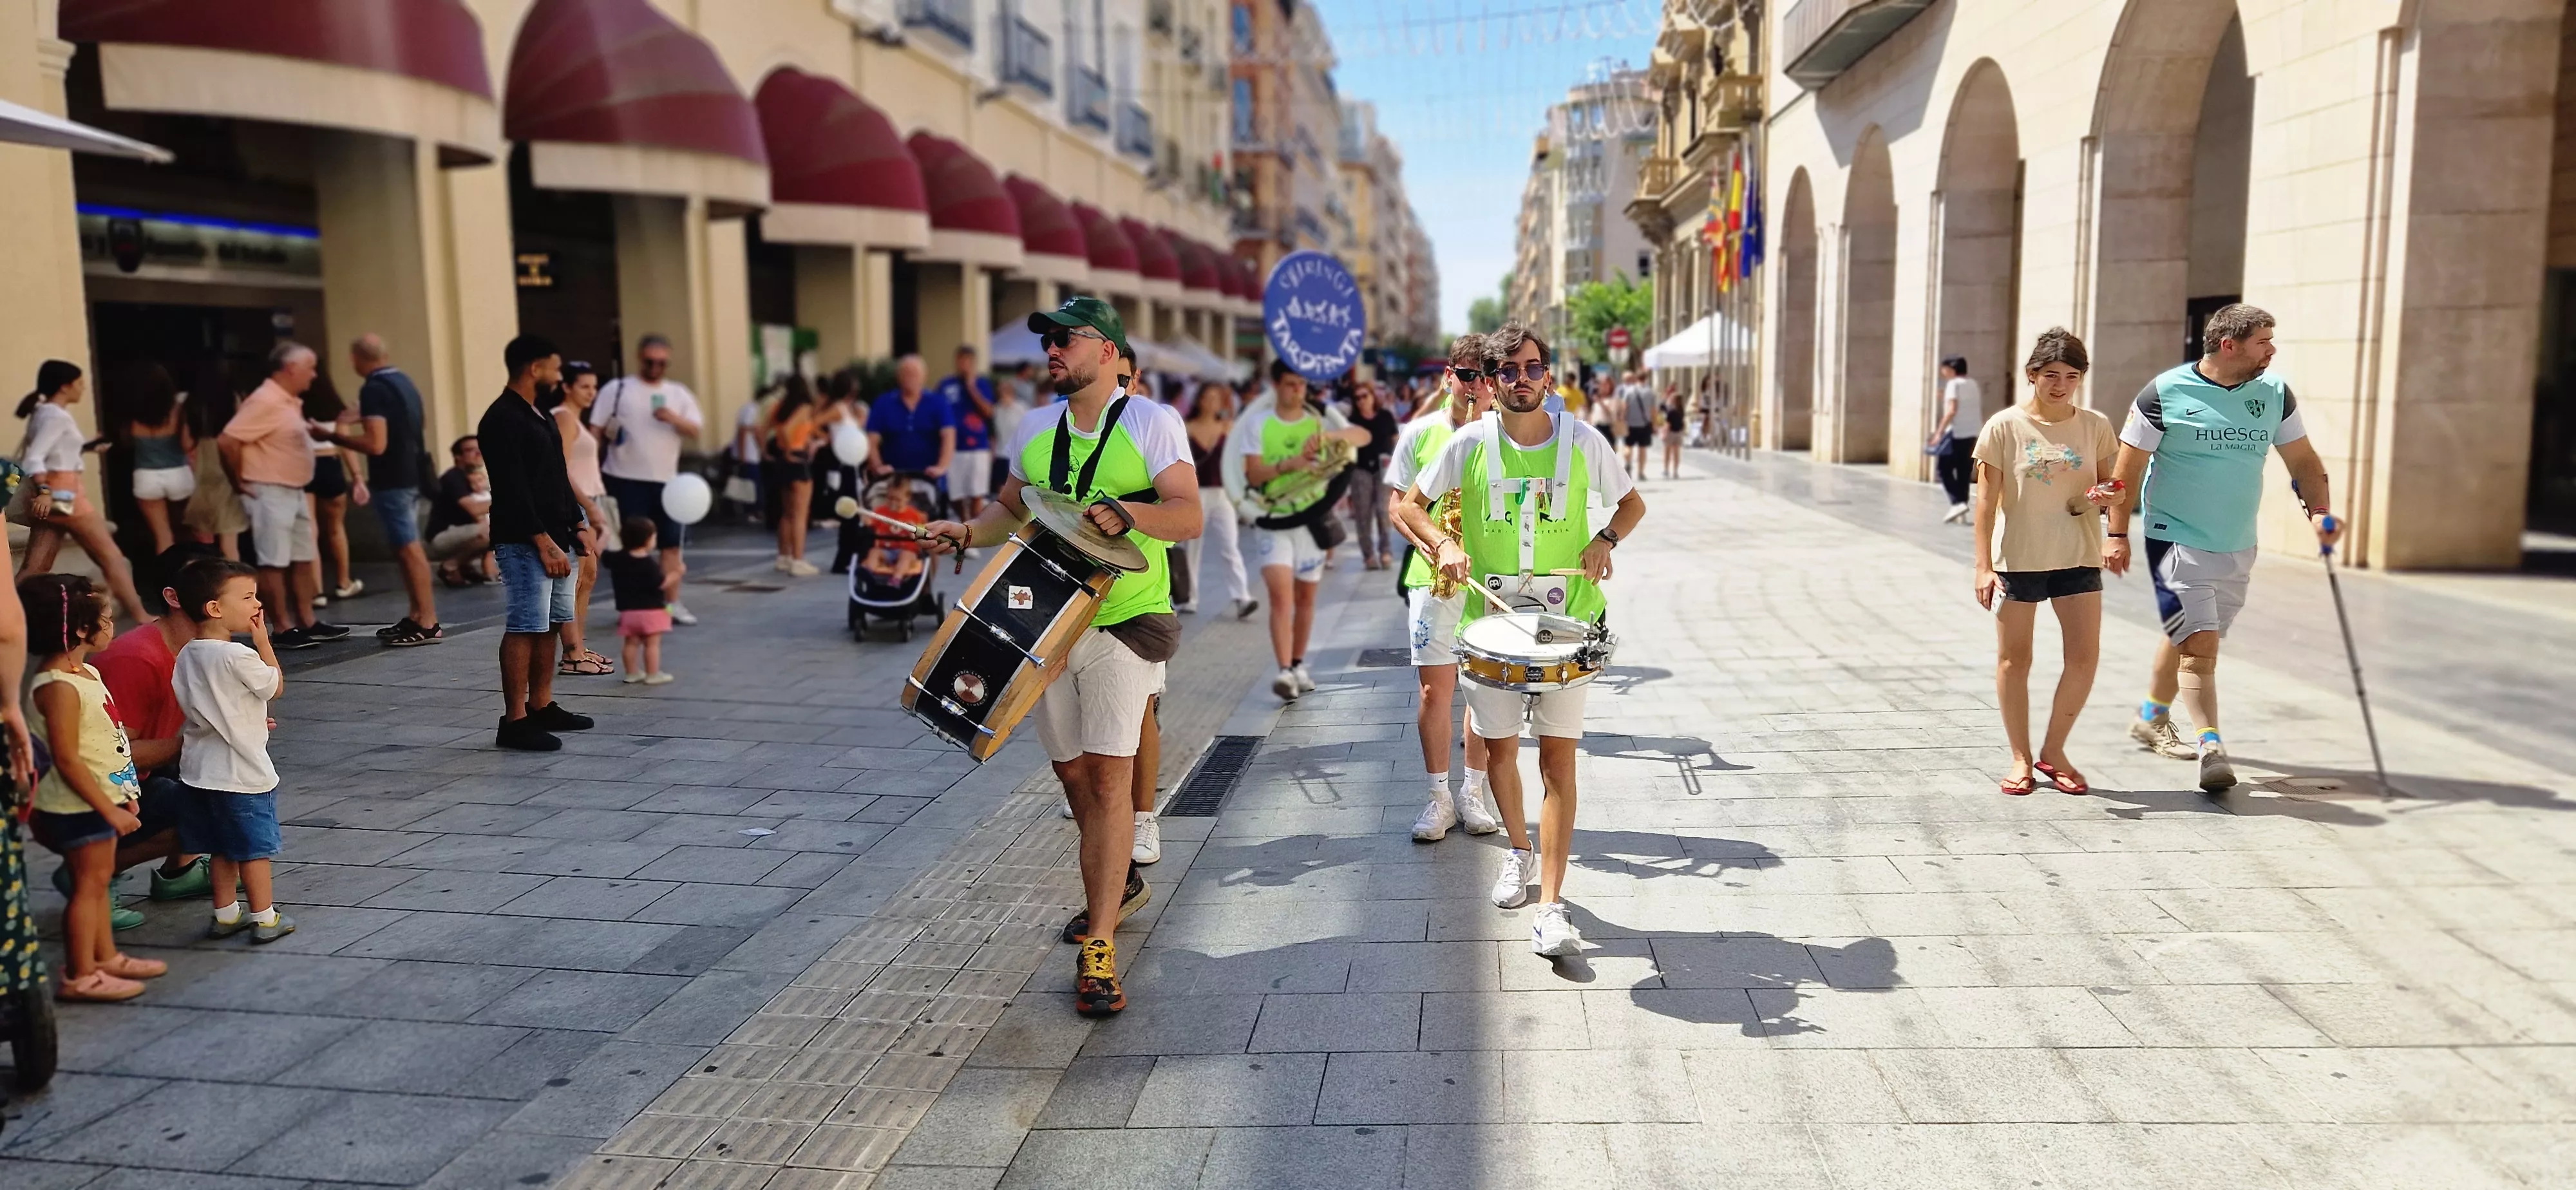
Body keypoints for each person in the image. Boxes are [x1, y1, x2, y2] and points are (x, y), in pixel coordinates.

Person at [919, 296, 1202, 1018]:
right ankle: (1120, 884)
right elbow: (1006, 513)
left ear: (1107, 350)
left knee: (1109, 785)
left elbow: (1188, 515)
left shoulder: (1150, 422)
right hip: (1045, 630)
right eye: (1047, 339)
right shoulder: (1035, 428)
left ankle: (1099, 944)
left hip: (1124, 623)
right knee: (1074, 779)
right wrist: (960, 532)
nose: (1051, 350)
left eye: (1065, 339)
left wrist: (1130, 513)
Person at [1396, 323, 1647, 958]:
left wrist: (1604, 541)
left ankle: (1551, 905)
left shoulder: (1583, 440)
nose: (1522, 379)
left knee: (1557, 762)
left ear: (1549, 375)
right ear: (1492, 381)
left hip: (1568, 624)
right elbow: (1408, 506)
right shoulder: (1469, 443)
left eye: (1532, 367)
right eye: (1508, 371)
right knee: (1500, 753)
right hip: (1492, 624)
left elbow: (1632, 505)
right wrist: (1445, 543)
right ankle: (1518, 850)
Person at [2106, 304, 2338, 794]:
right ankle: (2212, 747)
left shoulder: (2274, 394)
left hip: (2237, 542)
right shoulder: (2165, 392)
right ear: (2228, 345)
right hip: (2175, 536)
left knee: (2191, 632)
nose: (2272, 351)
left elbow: (2303, 461)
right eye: (2263, 342)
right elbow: (2126, 471)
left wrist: (2319, 513)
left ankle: (2151, 715)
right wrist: (2116, 533)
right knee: (2201, 644)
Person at [1971, 329, 2118, 797]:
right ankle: (2020, 758)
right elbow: (1986, 503)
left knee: (2084, 657)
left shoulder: (2095, 426)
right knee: (2016, 659)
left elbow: (2115, 488)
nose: (2061, 385)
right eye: (2051, 375)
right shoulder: (2004, 427)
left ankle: (2054, 751)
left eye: (2071, 377)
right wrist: (1982, 566)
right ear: (2032, 375)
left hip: (2078, 555)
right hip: (2020, 558)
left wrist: (2106, 498)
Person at [21, 573, 168, 1000]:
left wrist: (126, 796)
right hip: (76, 808)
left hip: (100, 799)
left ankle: (105, 957)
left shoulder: (82, 672)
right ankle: (80, 974)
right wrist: (109, 810)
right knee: (88, 887)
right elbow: (67, 758)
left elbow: (105, 743)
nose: (113, 627)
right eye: (106, 619)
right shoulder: (58, 686)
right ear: (82, 629)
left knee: (98, 883)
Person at [1390, 335, 1501, 843]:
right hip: (1433, 580)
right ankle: (1438, 798)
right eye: (1466, 374)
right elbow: (1398, 507)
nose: (1474, 386)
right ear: (1449, 376)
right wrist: (1436, 547)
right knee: (1436, 691)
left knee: (1483, 691)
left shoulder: (1503, 437)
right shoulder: (1421, 433)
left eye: (1484, 375)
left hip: (1489, 579)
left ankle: (1472, 793)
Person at [91, 544, 224, 912]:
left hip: (145, 771)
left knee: (230, 781)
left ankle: (179, 873)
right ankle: (92, 873)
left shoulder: (204, 649)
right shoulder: (137, 658)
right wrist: (203, 741)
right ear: (174, 596)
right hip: (102, 789)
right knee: (220, 809)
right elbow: (113, 757)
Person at [482, 335, 596, 752]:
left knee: (550, 622)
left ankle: (542, 704)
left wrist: (576, 524)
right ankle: (514, 720)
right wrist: (543, 541)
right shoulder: (501, 419)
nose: (558, 375)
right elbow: (512, 489)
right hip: (523, 539)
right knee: (525, 624)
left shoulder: (540, 414)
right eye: (554, 367)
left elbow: (554, 475)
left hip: (557, 535)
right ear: (534, 369)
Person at [169, 557, 292, 943]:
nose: (257, 604)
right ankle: (265, 917)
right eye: (249, 596)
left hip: (200, 771)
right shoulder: (238, 654)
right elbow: (274, 687)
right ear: (215, 609)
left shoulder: (188, 652)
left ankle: (225, 914)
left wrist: (248, 718)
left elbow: (213, 704)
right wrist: (263, 643)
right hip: (242, 771)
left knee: (221, 847)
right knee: (254, 849)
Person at [1238, 360, 1370, 701]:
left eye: (1301, 384)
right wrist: (1290, 464)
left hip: (1311, 519)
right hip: (1275, 518)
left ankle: (1298, 664)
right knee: (1281, 597)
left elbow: (1362, 436)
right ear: (1277, 386)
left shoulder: (1317, 419)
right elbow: (1252, 475)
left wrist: (1328, 436)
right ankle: (1284, 670)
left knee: (1306, 598)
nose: (1297, 390)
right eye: (1290, 384)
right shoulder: (1259, 423)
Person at [316, 334, 444, 646]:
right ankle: (417, 615)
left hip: (393, 478)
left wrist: (332, 436)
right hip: (413, 473)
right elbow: (418, 423)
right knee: (406, 547)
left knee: (408, 547)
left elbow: (376, 444)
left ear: (355, 359)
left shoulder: (373, 388)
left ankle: (427, 621)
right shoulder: (404, 381)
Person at [217, 343, 345, 649]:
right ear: (290, 368)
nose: (314, 376)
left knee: (301, 556)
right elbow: (228, 441)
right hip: (269, 489)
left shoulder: (288, 401)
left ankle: (307, 620)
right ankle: (283, 626)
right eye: (310, 368)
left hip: (294, 488)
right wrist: (238, 481)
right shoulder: (266, 400)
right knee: (273, 560)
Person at [13, 362, 149, 622]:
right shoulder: (56, 417)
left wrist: (86, 447)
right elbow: (35, 458)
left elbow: (56, 453)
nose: (83, 387)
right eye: (79, 382)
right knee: (112, 557)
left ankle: (8, 615)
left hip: (57, 495)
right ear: (65, 387)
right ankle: (140, 614)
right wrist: (45, 491)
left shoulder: (45, 412)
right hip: (65, 495)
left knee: (37, 566)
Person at [591, 334, 704, 625]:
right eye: (650, 361)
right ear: (640, 358)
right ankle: (632, 605)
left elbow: (695, 430)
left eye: (662, 362)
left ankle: (671, 604)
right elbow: (596, 430)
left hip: (668, 482)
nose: (656, 367)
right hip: (624, 478)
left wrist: (672, 418)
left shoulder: (678, 393)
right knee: (629, 548)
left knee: (671, 544)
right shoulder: (617, 389)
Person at [551, 363, 614, 676]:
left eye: (594, 387)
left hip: (589, 500)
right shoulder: (563, 417)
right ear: (567, 387)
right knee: (577, 581)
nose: (591, 393)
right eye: (584, 387)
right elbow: (560, 468)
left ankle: (579, 647)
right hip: (579, 504)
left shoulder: (575, 419)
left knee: (588, 579)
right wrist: (588, 506)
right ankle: (572, 654)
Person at [1182, 382, 1254, 619]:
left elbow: (1239, 460)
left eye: (1217, 399)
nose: (1212, 403)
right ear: (1199, 400)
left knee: (1230, 545)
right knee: (1193, 547)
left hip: (1222, 493)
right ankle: (1189, 597)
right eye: (1208, 398)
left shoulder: (1228, 427)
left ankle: (1242, 596)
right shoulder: (1188, 428)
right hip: (1196, 492)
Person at [301, 379, 365, 605]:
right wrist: (357, 477)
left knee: (310, 530)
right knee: (336, 528)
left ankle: (316, 591)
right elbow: (345, 444)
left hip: (304, 465)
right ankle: (343, 583)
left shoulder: (294, 405)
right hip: (330, 464)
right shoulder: (335, 410)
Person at [122, 365, 194, 554]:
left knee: (163, 537)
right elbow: (187, 443)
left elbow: (126, 441)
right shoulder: (178, 410)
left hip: (146, 476)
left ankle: (166, 580)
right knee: (190, 531)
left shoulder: (131, 412)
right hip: (179, 474)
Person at [179, 368, 247, 559]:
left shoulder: (191, 402)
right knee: (229, 537)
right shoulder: (234, 399)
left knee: (203, 535)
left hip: (201, 467)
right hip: (227, 466)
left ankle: (208, 581)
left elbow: (186, 442)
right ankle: (234, 583)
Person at [607, 516, 677, 686]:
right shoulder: (648, 564)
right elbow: (661, 584)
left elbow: (604, 555)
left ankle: (632, 673)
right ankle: (653, 674)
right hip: (652, 611)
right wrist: (677, 574)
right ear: (647, 540)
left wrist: (602, 535)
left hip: (628, 612)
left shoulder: (618, 559)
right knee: (652, 644)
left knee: (631, 642)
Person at [866, 355, 955, 486]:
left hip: (929, 477)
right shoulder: (884, 403)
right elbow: (872, 439)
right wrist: (878, 467)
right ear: (898, 376)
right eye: (906, 373)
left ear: (924, 376)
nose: (910, 378)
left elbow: (948, 437)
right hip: (893, 479)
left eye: (915, 374)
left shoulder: (939, 403)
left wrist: (941, 467)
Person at [765, 376, 822, 576]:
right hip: (797, 458)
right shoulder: (804, 407)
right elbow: (790, 430)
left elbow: (762, 429)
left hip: (781, 460)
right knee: (800, 513)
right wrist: (791, 449)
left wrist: (767, 451)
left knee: (787, 513)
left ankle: (784, 556)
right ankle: (799, 560)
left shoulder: (779, 407)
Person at [934, 345, 997, 518]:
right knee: (956, 494)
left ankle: (973, 530)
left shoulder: (982, 384)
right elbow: (937, 411)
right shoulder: (946, 385)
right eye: (961, 361)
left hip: (978, 447)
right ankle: (965, 521)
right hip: (954, 448)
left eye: (968, 361)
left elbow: (989, 412)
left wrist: (971, 388)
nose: (964, 365)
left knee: (977, 493)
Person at [1345, 382, 1401, 571]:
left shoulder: (1385, 416)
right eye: (1357, 398)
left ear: (1372, 397)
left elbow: (1395, 440)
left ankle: (1385, 551)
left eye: (1364, 396)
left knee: (1383, 511)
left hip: (1383, 468)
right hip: (1360, 469)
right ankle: (1368, 555)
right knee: (1363, 514)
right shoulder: (1352, 421)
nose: (1361, 401)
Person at [425, 437, 493, 585]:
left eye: (480, 449)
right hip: (442, 535)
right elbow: (475, 510)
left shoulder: (472, 479)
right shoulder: (453, 478)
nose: (478, 453)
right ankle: (451, 566)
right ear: (458, 456)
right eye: (471, 450)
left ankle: (463, 567)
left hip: (461, 531)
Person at [1928, 356, 1981, 523]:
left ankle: (1957, 502)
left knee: (1943, 469)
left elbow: (1952, 410)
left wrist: (1939, 433)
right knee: (1964, 470)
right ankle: (1962, 508)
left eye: (1944, 369)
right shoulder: (1972, 384)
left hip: (1956, 432)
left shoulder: (1953, 384)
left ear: (1951, 369)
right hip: (1972, 432)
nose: (1942, 372)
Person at [1660, 382, 1686, 479]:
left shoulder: (1671, 411)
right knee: (1676, 453)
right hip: (1678, 433)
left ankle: (1666, 470)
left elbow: (1667, 423)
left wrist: (1664, 433)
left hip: (1670, 433)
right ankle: (1675, 471)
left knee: (1667, 452)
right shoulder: (1681, 410)